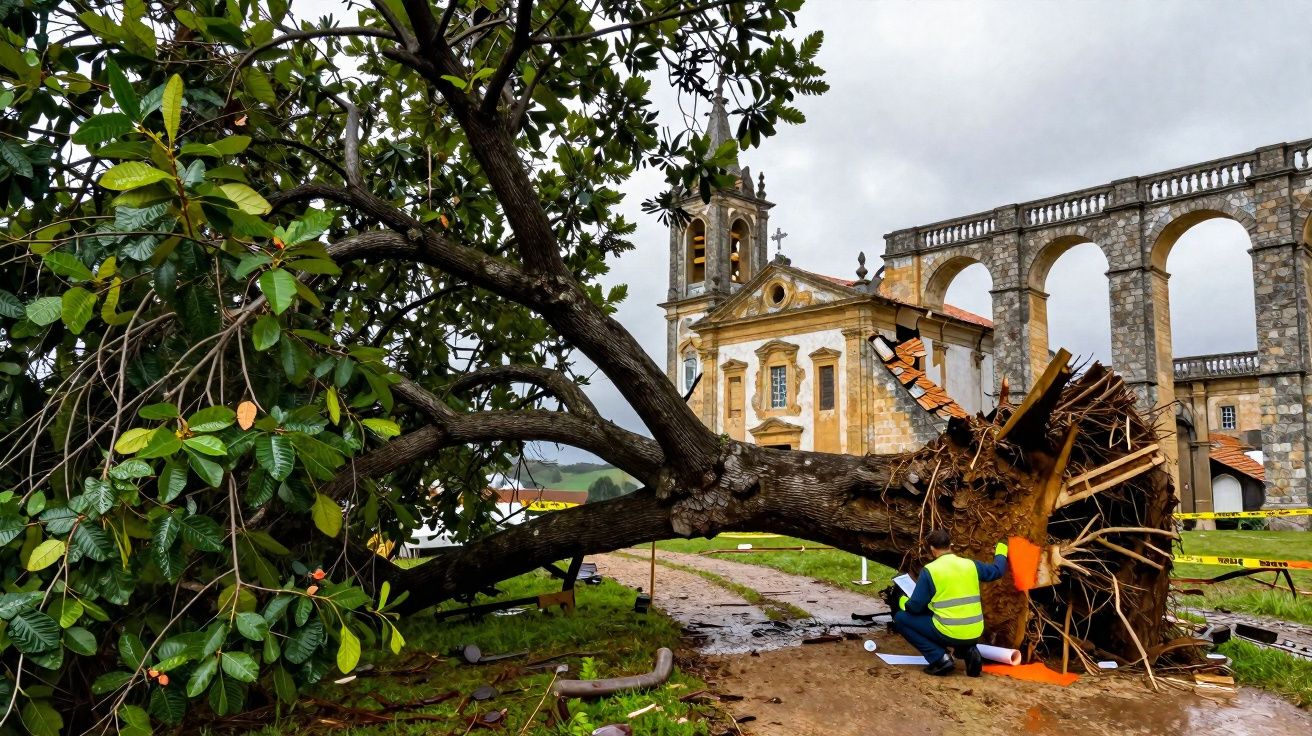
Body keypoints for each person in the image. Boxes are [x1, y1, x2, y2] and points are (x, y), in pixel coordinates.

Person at [893, 529, 1009, 677]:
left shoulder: (931, 571)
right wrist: (1002, 548)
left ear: (932, 549)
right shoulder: (970, 565)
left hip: (949, 632)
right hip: (974, 632)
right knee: (942, 616)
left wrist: (903, 602)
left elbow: (915, 607)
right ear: (950, 545)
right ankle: (969, 651)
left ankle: (939, 658)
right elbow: (997, 571)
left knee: (901, 619)